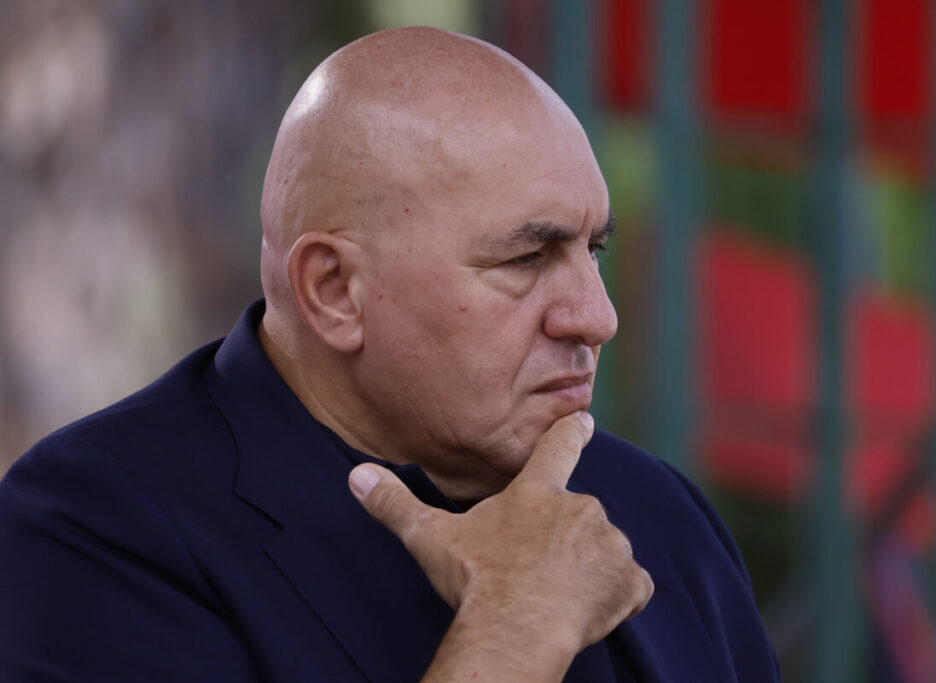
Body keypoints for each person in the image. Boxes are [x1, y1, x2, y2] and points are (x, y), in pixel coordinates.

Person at [0, 27, 779, 681]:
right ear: (334, 290)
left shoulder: (657, 511)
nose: (597, 317)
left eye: (592, 249)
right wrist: (514, 634)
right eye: (526, 258)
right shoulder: (92, 529)